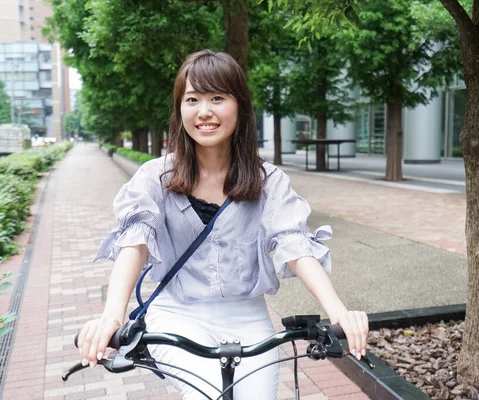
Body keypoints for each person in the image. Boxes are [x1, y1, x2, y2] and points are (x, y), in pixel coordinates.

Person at [77, 50, 369, 399]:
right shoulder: (155, 176)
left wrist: (338, 312)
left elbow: (294, 245)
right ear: (180, 109)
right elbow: (135, 243)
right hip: (176, 314)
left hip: (247, 316)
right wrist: (112, 315)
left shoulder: (268, 181)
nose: (204, 111)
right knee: (208, 394)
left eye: (217, 97)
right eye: (192, 99)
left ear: (239, 106)